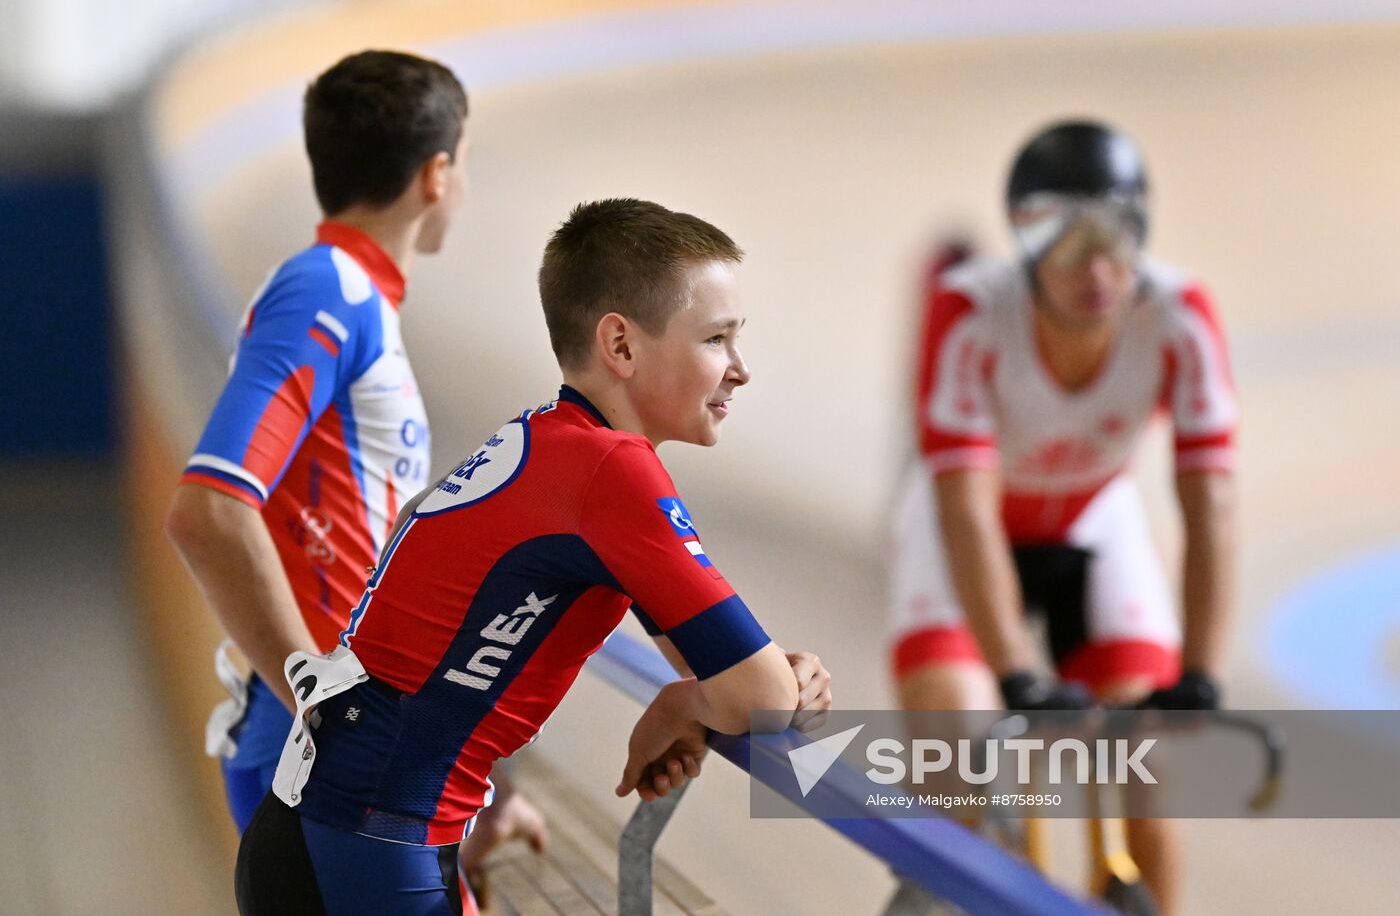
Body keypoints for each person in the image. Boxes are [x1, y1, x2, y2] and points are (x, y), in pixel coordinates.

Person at [232, 198, 833, 914]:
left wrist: (696, 693)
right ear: (621, 345)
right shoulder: (610, 474)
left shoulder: (551, 441)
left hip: (336, 833)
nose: (740, 369)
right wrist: (705, 696)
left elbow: (723, 671)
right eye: (716, 339)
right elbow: (762, 698)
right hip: (370, 851)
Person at [164, 49, 544, 867]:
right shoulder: (327, 291)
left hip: (345, 766)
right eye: (465, 163)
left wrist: (478, 787)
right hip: (327, 769)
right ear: (437, 175)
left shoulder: (349, 295)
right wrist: (322, 705)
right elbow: (208, 511)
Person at [889, 120, 1237, 915]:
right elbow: (967, 513)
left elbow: (1209, 501)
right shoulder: (970, 313)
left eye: (1119, 238)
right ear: (1023, 240)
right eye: (1066, 240)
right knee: (958, 761)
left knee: (1142, 770)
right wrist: (1014, 670)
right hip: (960, 534)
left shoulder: (1182, 316)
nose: (1097, 268)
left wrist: (1203, 672)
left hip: (1092, 525)